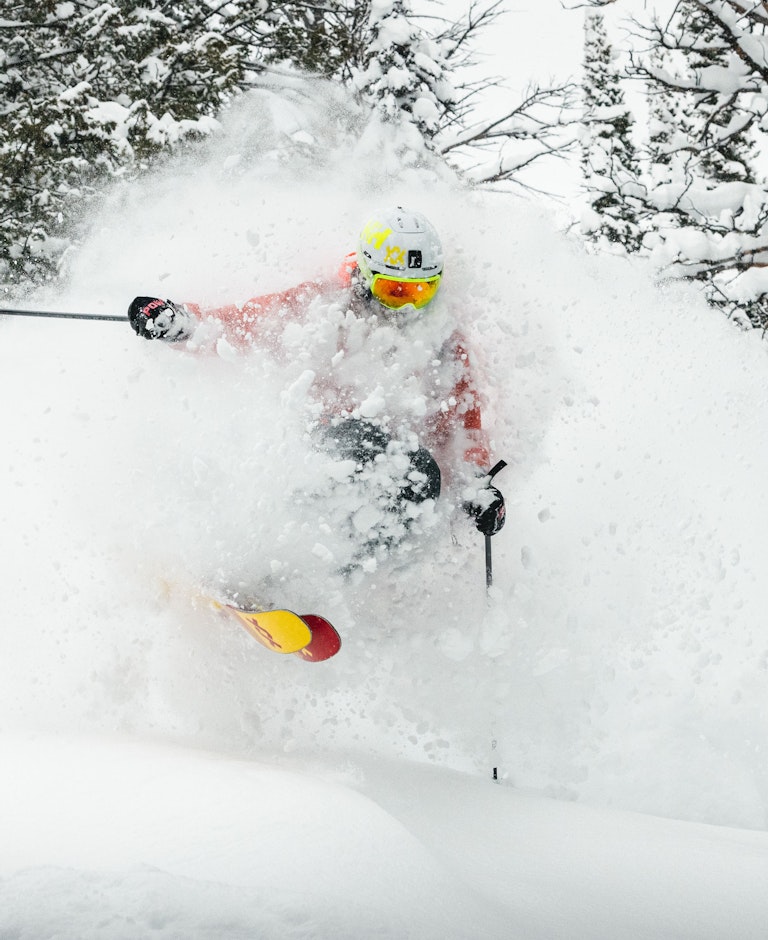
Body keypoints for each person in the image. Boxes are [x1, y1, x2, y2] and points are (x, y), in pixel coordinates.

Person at [127, 206, 505, 561]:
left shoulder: (441, 337)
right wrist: (180, 324)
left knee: (421, 479)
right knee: (407, 467)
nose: (407, 307)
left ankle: (339, 584)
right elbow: (241, 325)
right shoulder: (321, 305)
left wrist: (476, 486)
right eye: (395, 291)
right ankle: (276, 559)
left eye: (421, 292)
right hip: (313, 443)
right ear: (367, 276)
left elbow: (462, 423)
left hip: (389, 472)